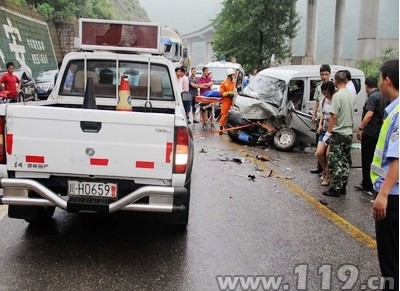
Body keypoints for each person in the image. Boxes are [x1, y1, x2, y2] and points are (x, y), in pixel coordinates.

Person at [371, 59, 399, 291]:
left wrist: (384, 194)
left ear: (387, 80)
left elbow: (397, 158)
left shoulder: (398, 114)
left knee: (391, 259)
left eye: (381, 79)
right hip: (392, 194)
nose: (380, 84)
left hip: (393, 197)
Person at [322, 70, 354, 197]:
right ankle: (343, 185)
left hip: (339, 132)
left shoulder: (337, 96)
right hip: (348, 132)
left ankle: (335, 187)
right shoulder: (351, 95)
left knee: (336, 160)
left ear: (335, 81)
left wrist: (328, 133)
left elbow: (333, 116)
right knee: (346, 159)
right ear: (346, 81)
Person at [355, 76, 385, 196]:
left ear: (366, 86)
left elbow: (369, 114)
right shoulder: (382, 96)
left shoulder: (372, 97)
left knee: (367, 159)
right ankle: (373, 183)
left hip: (370, 133)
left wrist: (361, 128)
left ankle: (367, 184)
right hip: (378, 133)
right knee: (375, 160)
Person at [311, 64, 331, 174]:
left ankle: (326, 170)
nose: (324, 76)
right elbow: (317, 102)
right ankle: (320, 167)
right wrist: (314, 114)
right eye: (322, 74)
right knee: (318, 142)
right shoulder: (318, 87)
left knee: (326, 147)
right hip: (320, 117)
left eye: (326, 74)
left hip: (329, 119)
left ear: (329, 74)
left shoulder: (332, 87)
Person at [316, 81, 335, 186]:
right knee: (319, 153)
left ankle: (328, 176)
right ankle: (326, 171)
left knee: (328, 154)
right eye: (324, 93)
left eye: (327, 93)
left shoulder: (336, 100)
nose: (326, 95)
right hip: (324, 130)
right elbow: (323, 114)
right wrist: (320, 124)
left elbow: (335, 117)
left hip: (332, 131)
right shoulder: (323, 100)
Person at [219, 68, 235, 135]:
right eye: (232, 75)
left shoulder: (233, 83)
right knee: (224, 115)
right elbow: (221, 93)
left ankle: (229, 129)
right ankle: (221, 130)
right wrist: (228, 93)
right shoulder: (224, 83)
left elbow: (235, 91)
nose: (234, 76)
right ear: (229, 75)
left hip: (232, 101)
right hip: (225, 101)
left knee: (231, 116)